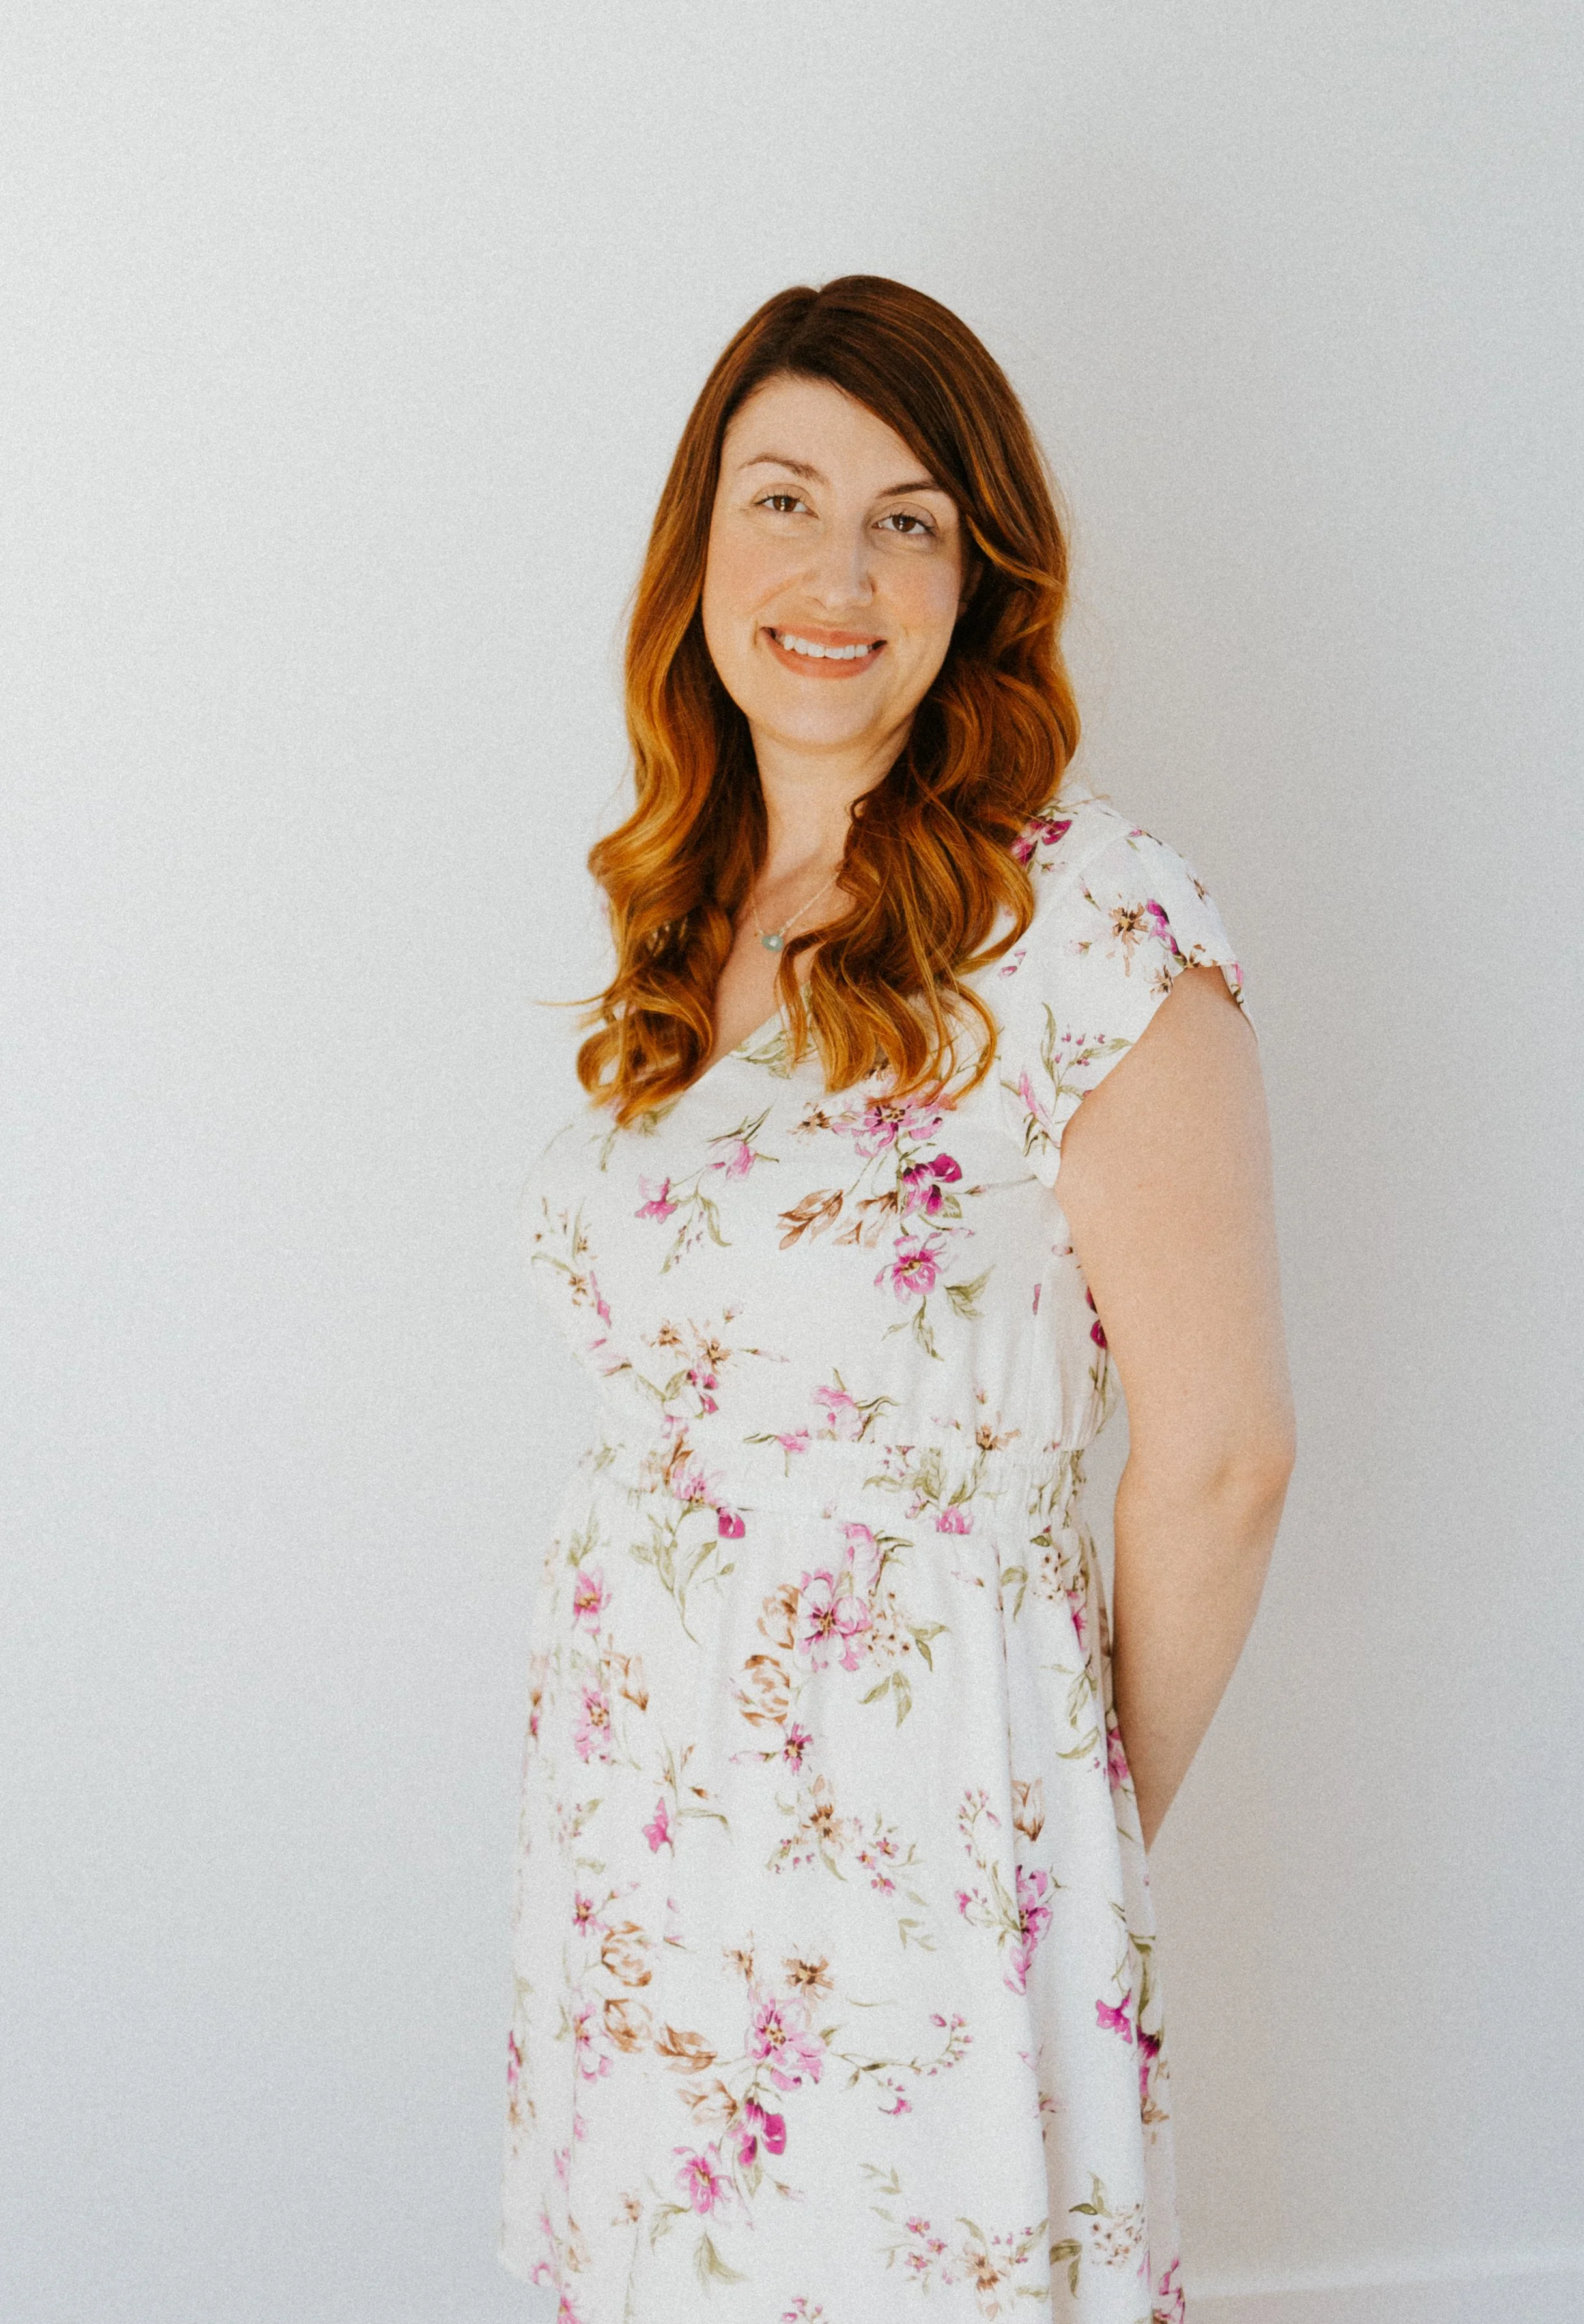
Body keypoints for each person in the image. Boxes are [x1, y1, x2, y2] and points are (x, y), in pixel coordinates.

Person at [502, 276, 1295, 2322]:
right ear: (698, 549)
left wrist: (1042, 1830)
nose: (833, 570)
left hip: (924, 1844)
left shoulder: (1086, 921)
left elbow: (1216, 1460)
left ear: (978, 575)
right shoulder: (686, 915)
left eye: (907, 517)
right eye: (780, 499)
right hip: (638, 1829)